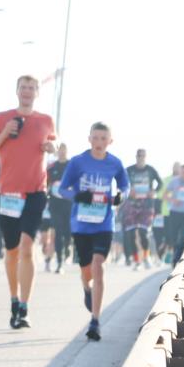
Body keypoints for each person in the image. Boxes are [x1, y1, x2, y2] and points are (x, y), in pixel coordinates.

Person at [0, 76, 57, 329]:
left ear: (37, 92)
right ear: (17, 91)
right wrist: (6, 132)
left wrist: (51, 146)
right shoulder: (1, 118)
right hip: (8, 193)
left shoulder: (45, 120)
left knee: (28, 247)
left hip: (35, 192)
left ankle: (25, 307)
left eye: (31, 88)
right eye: (23, 87)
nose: (27, 91)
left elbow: (53, 142)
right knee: (13, 250)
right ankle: (14, 300)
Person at [56, 122, 129, 341]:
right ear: (89, 139)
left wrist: (121, 197)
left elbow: (125, 186)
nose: (99, 143)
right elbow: (62, 189)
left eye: (103, 139)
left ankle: (95, 321)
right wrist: (78, 196)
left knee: (98, 266)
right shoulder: (78, 162)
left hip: (104, 222)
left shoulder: (115, 163)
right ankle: (87, 289)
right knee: (86, 269)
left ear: (110, 141)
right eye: (95, 138)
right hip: (81, 223)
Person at [122, 149, 163, 270]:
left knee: (143, 233)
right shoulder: (128, 170)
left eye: (142, 156)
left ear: (145, 157)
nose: (140, 158)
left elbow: (160, 183)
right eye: (139, 156)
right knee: (131, 234)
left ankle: (146, 257)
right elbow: (121, 184)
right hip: (132, 205)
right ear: (136, 157)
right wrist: (129, 191)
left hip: (147, 205)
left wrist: (154, 191)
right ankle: (136, 261)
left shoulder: (151, 170)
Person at [47, 143, 72, 273]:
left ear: (67, 151)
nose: (62, 152)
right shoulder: (52, 167)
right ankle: (59, 261)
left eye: (64, 149)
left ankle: (68, 247)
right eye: (60, 150)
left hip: (68, 204)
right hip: (55, 204)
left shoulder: (71, 166)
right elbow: (45, 183)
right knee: (57, 232)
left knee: (67, 231)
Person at [157, 161, 181, 263]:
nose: (176, 169)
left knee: (177, 236)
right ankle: (164, 253)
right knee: (168, 236)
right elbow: (159, 195)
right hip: (167, 212)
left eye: (178, 167)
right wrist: (171, 198)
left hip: (180, 213)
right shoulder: (166, 180)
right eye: (174, 167)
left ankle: (173, 256)